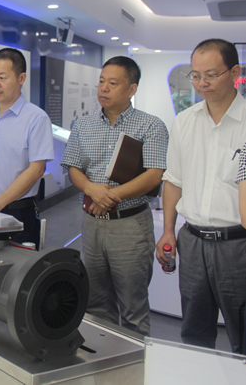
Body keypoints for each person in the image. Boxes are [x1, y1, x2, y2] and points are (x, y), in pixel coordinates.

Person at [62, 56, 168, 336]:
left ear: (132, 89)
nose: (104, 88)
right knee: (96, 304)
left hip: (130, 225)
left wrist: (109, 196)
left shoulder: (151, 125)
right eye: (101, 82)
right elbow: (73, 168)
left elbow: (154, 174)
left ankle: (134, 361)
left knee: (133, 307)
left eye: (112, 83)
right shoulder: (83, 125)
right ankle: (102, 358)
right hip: (92, 225)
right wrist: (92, 190)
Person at [156, 38, 246, 354]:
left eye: (211, 75)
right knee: (194, 333)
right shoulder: (185, 122)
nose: (202, 83)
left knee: (242, 335)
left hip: (238, 246)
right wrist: (168, 230)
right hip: (192, 242)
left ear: (234, 72)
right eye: (195, 75)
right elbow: (174, 181)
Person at [0, 48, 53, 250]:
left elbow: (36, 169)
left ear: (21, 78)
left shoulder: (36, 118)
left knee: (18, 268)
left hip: (18, 213)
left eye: (2, 77)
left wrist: (0, 202)